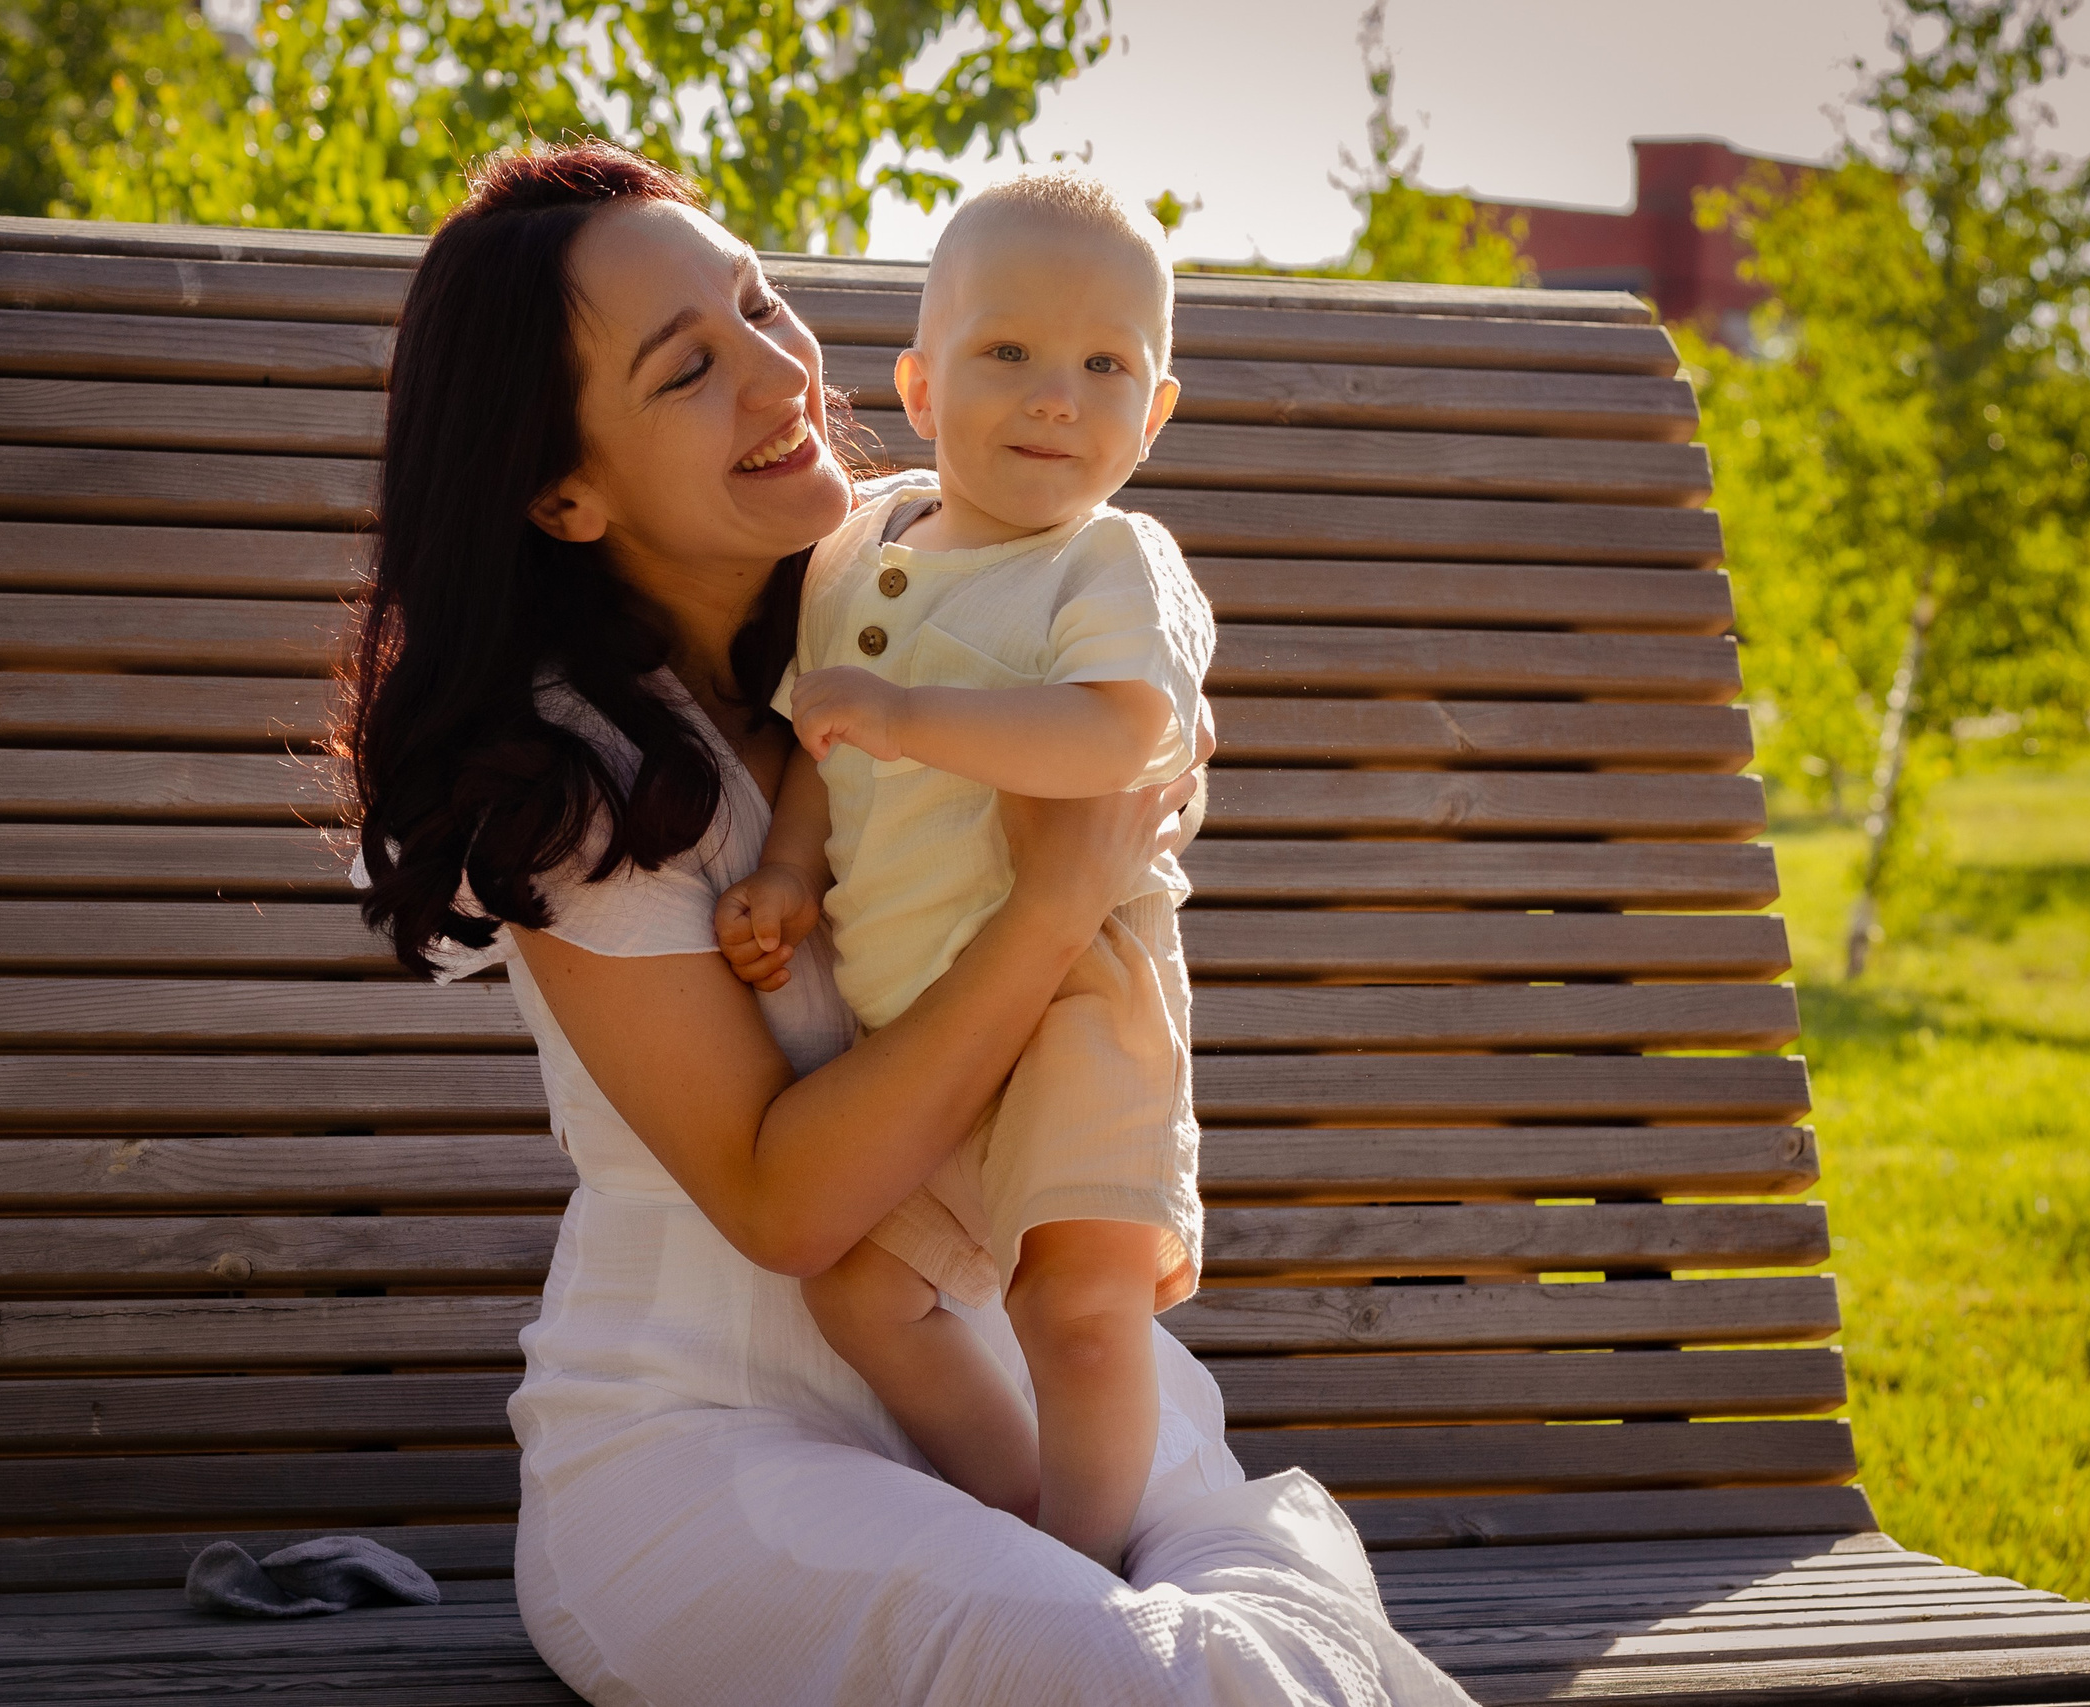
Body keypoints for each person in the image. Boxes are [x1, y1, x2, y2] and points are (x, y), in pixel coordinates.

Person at [346, 137, 1474, 1706]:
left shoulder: (941, 572)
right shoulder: (575, 783)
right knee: (1109, 1672)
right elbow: (786, 1207)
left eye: (757, 306)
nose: (778, 372)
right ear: (562, 488)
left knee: (1282, 1661)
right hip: (714, 1451)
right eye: (688, 369)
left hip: (1048, 1390)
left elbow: (1139, 711)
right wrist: (1060, 896)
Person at [712, 166, 1210, 1571]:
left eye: (1108, 365)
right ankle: (1023, 1519)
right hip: (916, 1018)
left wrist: (914, 719)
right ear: (922, 387)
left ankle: (1103, 1566)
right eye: (1011, 353)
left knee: (1081, 1299)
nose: (1059, 394)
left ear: (1154, 412)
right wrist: (793, 872)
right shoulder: (860, 543)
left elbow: (1127, 732)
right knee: (864, 1290)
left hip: (1075, 999)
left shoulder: (1111, 560)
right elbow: (827, 736)